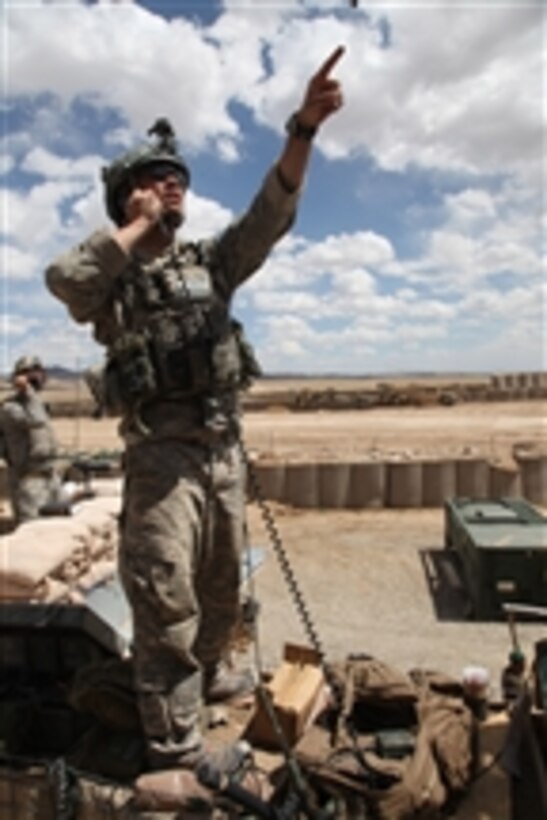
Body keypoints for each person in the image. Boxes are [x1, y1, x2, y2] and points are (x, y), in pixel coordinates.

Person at [45, 46, 345, 774]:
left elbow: (270, 214)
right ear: (127, 195)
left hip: (221, 451)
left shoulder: (210, 262)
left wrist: (301, 130)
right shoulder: (117, 278)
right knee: (163, 596)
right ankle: (174, 752)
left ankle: (213, 688)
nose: (172, 185)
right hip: (162, 457)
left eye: (177, 179)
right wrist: (135, 230)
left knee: (219, 594)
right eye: (155, 179)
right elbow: (66, 279)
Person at [0, 356, 60, 524]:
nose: (37, 378)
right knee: (33, 530)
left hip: (50, 477)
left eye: (39, 372)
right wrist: (27, 391)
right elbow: (36, 420)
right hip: (28, 481)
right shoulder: (11, 408)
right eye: (30, 373)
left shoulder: (36, 403)